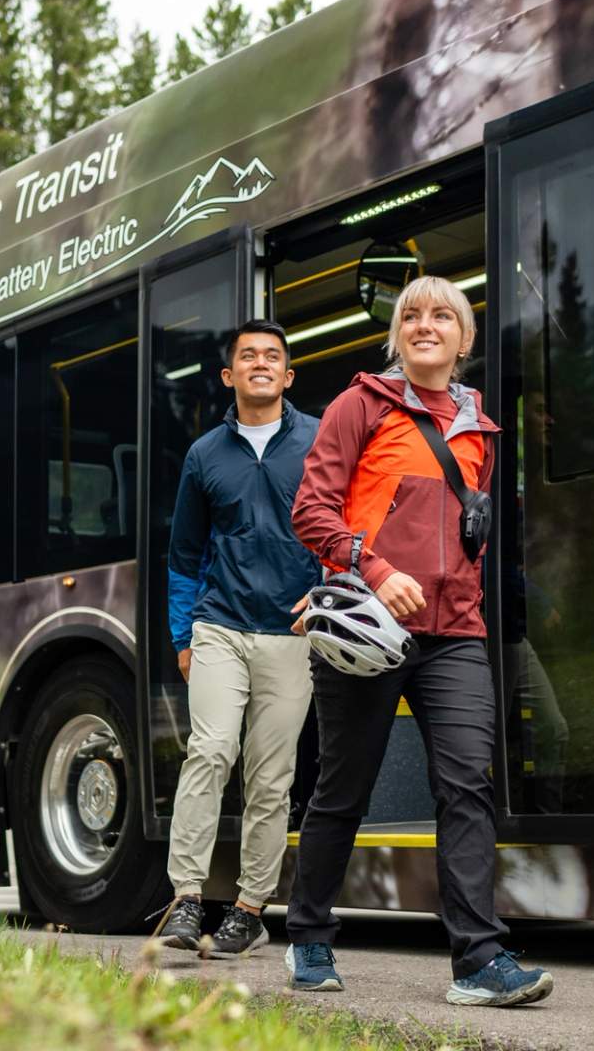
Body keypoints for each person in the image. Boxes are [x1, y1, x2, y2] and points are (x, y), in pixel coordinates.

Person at [282, 275, 554, 1008]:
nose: (426, 323)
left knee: (467, 784)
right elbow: (311, 510)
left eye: (443, 315)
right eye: (412, 314)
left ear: (464, 340)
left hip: (456, 633)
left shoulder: (481, 427)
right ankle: (308, 935)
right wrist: (372, 566)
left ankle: (478, 960)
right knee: (345, 789)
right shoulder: (360, 404)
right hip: (370, 629)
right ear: (397, 334)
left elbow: (471, 535)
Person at [158, 320, 322, 958]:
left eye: (272, 357)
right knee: (211, 750)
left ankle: (250, 908)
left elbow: (343, 526)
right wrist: (182, 635)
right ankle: (186, 899)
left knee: (271, 775)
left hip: (293, 631)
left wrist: (330, 599)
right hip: (218, 625)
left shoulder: (316, 439)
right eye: (247, 356)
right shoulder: (205, 455)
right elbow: (183, 555)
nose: (260, 363)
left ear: (287, 375)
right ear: (230, 376)